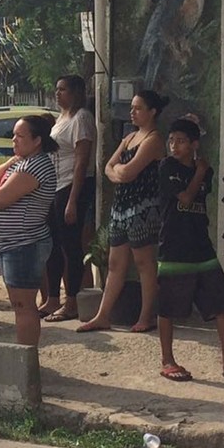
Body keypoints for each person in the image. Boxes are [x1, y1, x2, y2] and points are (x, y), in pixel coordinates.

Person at [156, 118, 224, 381]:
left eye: (180, 141)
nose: (174, 146)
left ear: (194, 144)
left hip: (201, 246)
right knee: (168, 306)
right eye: (171, 140)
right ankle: (167, 361)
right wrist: (200, 172)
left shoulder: (206, 170)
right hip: (174, 246)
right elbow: (185, 197)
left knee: (221, 302)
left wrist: (202, 171)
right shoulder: (167, 167)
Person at [78, 91, 167, 334]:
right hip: (121, 207)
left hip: (143, 208)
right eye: (132, 107)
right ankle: (103, 315)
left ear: (152, 112)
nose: (132, 112)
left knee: (144, 262)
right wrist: (119, 171)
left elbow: (127, 172)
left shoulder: (154, 139)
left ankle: (146, 315)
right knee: (115, 262)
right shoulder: (129, 138)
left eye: (138, 108)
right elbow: (108, 166)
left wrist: (119, 172)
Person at [0, 116, 58, 347]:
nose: (14, 139)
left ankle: (27, 357)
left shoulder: (36, 165)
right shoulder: (23, 162)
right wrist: (12, 160)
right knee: (19, 303)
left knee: (23, 305)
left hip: (25, 244)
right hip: (13, 244)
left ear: (37, 140)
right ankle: (25, 355)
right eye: (14, 134)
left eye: (20, 136)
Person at [42, 75, 97, 322]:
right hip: (55, 186)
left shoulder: (81, 118)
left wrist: (73, 199)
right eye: (57, 89)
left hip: (71, 186)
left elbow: (81, 161)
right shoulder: (60, 119)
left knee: (70, 246)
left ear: (76, 92)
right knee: (53, 244)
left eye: (63, 89)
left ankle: (72, 300)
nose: (58, 94)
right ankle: (53, 297)